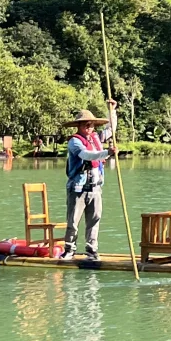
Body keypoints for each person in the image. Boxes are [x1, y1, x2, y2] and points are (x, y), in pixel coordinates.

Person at [62, 103, 117, 262]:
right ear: (79, 126)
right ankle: (69, 250)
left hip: (95, 188)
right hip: (78, 188)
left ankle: (91, 251)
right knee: (73, 221)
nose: (90, 127)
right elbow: (86, 155)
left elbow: (110, 129)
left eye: (92, 125)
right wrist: (107, 153)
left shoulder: (96, 138)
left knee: (94, 219)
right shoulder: (74, 142)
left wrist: (112, 110)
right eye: (86, 124)